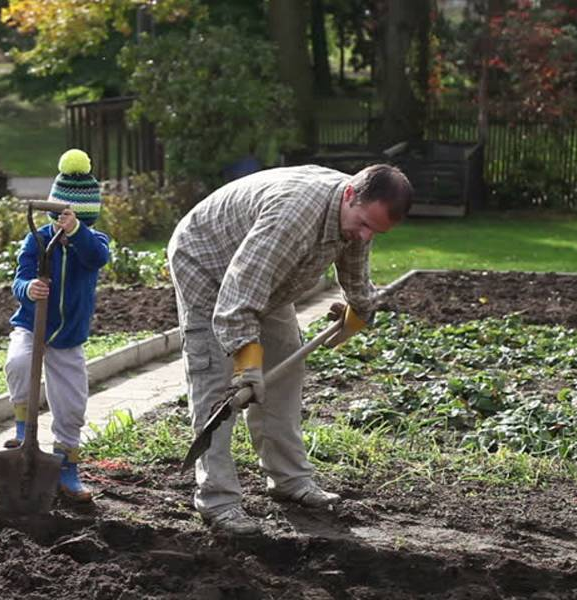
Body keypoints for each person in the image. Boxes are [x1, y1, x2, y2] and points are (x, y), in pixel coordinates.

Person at [168, 163, 413, 534]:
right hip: (207, 264)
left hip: (268, 277)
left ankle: (289, 480)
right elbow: (237, 298)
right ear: (350, 194)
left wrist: (359, 312)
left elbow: (354, 266)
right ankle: (217, 500)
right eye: (363, 225)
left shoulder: (356, 215)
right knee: (216, 384)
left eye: (374, 232)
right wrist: (247, 361)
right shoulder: (293, 215)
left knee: (286, 368)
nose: (365, 236)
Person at [4, 149, 110, 503]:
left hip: (67, 337)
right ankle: (23, 431)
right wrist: (29, 290)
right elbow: (18, 281)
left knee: (71, 403)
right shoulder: (35, 241)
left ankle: (66, 466)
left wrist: (76, 231)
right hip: (33, 325)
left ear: (82, 219)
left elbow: (97, 258)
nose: (60, 228)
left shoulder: (93, 242)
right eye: (57, 218)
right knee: (18, 363)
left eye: (68, 220)